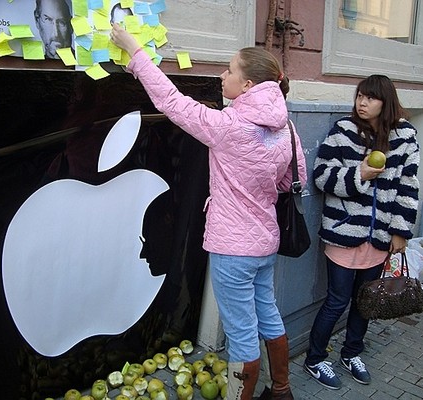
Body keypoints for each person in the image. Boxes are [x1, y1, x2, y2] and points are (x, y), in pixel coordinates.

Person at [110, 23, 307, 400]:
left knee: (241, 332)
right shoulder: (287, 129)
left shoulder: (229, 126)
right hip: (266, 242)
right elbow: (289, 183)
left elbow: (170, 101)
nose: (222, 75)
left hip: (233, 249)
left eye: (230, 69)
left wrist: (136, 52)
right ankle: (281, 390)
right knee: (267, 311)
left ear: (248, 86)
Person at [304, 75, 420, 390]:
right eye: (359, 96)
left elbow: (408, 187)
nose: (362, 102)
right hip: (343, 232)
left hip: (380, 237)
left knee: (364, 300)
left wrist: (400, 231)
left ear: (387, 102)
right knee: (337, 300)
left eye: (370, 97)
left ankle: (351, 352)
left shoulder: (406, 137)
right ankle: (315, 358)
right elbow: (321, 177)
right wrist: (360, 174)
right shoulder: (344, 132)